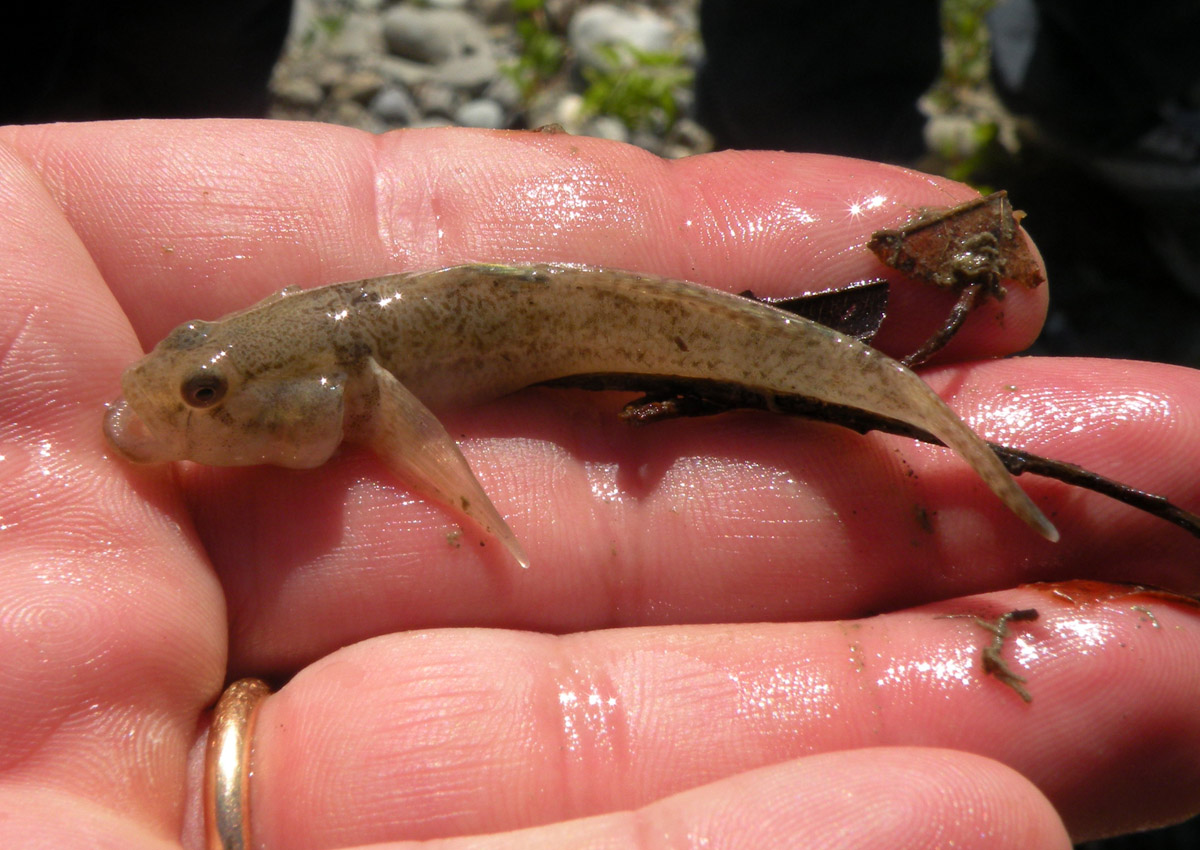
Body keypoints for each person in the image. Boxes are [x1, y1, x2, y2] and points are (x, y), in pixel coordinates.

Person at [0, 120, 1197, 848]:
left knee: (744, 351)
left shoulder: (344, 371)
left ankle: (955, 435)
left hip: (551, 328)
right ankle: (963, 441)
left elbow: (359, 416)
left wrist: (463, 495)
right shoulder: (307, 363)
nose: (157, 418)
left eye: (201, 396)